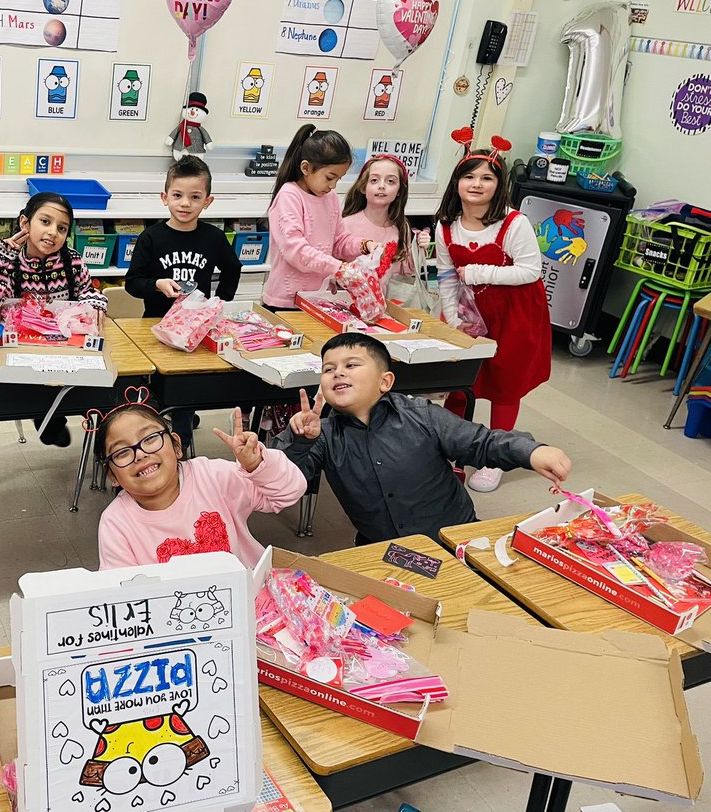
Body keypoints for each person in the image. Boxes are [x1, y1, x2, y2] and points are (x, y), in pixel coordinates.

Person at [275, 333, 571, 545]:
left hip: (455, 538)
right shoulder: (323, 434)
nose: (338, 372)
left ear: (385, 381)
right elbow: (285, 482)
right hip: (381, 548)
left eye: (351, 365)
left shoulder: (421, 415)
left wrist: (531, 451)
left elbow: (480, 442)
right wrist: (298, 440)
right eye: (329, 369)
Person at [432, 143, 552, 493]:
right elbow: (446, 275)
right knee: (460, 379)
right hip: (470, 314)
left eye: (487, 177)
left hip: (515, 316)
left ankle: (494, 457)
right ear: (456, 182)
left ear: (499, 185)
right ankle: (448, 449)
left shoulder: (515, 223)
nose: (477, 184)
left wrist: (480, 272)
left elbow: (531, 271)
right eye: (469, 176)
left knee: (504, 384)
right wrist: (453, 318)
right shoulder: (446, 227)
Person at [95, 396, 306, 570]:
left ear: (177, 446)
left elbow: (289, 492)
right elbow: (122, 596)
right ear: (112, 476)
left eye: (150, 439)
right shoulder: (116, 524)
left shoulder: (211, 476)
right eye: (122, 452)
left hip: (251, 600)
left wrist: (257, 465)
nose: (140, 454)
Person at [125, 155, 241, 451]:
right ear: (165, 198)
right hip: (156, 326)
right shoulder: (151, 237)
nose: (185, 203)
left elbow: (233, 267)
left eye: (194, 197)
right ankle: (153, 430)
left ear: (208, 201)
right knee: (154, 386)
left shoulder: (213, 237)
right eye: (177, 195)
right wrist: (157, 284)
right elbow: (132, 282)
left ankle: (182, 443)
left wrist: (220, 302)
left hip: (195, 330)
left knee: (186, 386)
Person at [0, 191, 108, 446]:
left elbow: (89, 293)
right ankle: (48, 420)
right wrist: (0, 264)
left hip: (66, 351)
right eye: (45, 222)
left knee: (100, 395)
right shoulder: (7, 262)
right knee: (40, 394)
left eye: (61, 227)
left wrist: (93, 304)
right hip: (21, 353)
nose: (52, 232)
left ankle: (94, 428)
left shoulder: (73, 262)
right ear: (25, 223)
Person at [262, 124, 375, 311]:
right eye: (330, 177)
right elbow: (296, 251)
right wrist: (338, 268)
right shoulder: (289, 196)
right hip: (285, 303)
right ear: (306, 168)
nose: (333, 185)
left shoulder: (329, 198)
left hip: (316, 300)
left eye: (339, 178)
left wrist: (365, 245)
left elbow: (339, 241)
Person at [340, 155, 417, 289]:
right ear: (363, 187)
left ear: (400, 190)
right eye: (374, 180)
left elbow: (407, 273)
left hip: (387, 306)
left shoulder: (401, 227)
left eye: (391, 181)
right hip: (347, 304)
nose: (382, 186)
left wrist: (419, 249)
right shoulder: (345, 225)